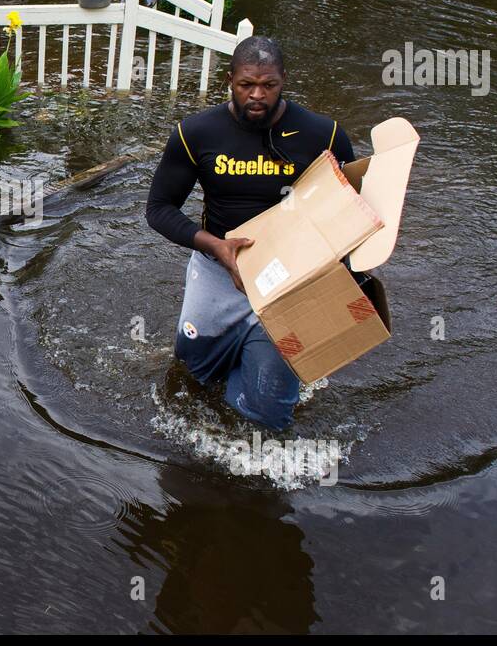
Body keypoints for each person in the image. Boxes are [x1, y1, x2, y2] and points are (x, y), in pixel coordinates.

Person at [146, 36, 355, 430]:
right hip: (217, 271)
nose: (257, 95)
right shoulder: (196, 134)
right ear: (230, 80)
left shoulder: (323, 136)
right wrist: (214, 246)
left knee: (266, 412)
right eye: (246, 85)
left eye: (269, 85)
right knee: (191, 380)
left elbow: (353, 208)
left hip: (289, 281)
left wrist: (343, 276)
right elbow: (158, 209)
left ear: (284, 81)